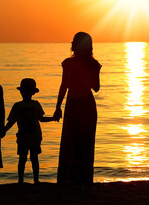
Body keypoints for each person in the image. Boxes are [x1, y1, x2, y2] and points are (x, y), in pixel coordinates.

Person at [53, 32, 102, 185]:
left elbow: (64, 86)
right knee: (85, 142)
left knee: (71, 141)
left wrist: (57, 107)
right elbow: (96, 88)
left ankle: (69, 178)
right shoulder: (93, 64)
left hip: (73, 103)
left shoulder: (68, 63)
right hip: (87, 105)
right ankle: (84, 178)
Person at [3, 78, 57, 184]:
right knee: (23, 159)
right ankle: (21, 180)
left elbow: (41, 118)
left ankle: (35, 179)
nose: (26, 93)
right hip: (24, 137)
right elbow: (12, 121)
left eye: (27, 91)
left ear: (32, 93)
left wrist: (53, 118)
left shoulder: (34, 105)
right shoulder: (17, 106)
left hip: (34, 137)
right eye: (25, 91)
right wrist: (4, 130)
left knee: (33, 158)